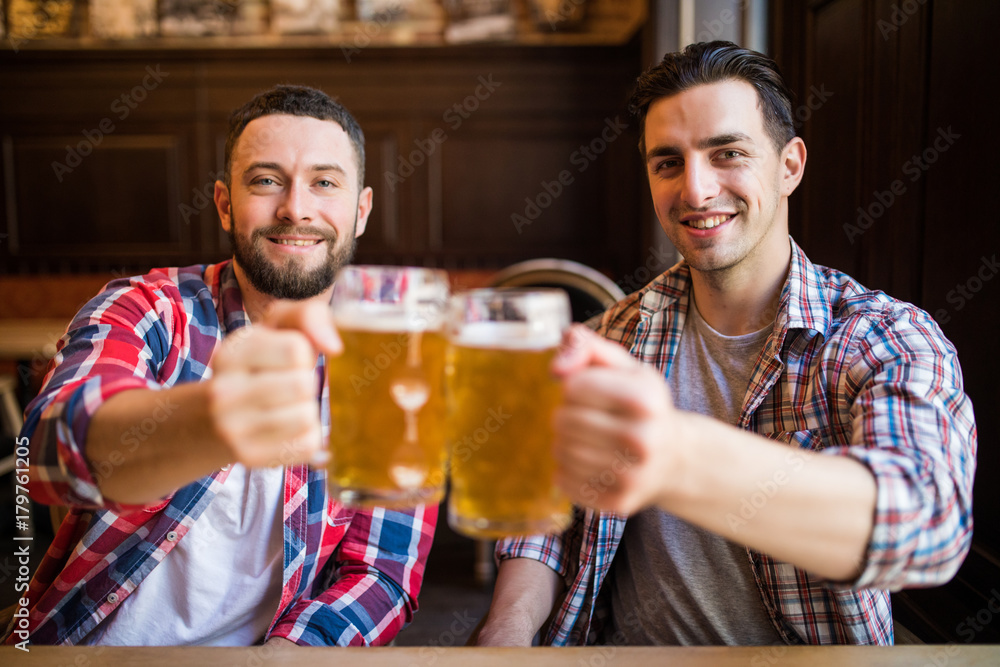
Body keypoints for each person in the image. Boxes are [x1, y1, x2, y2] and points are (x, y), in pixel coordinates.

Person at [476, 42, 977, 646]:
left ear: (789, 165)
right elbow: (546, 523)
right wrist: (506, 630)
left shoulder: (881, 337)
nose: (696, 189)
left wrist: (671, 453)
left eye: (728, 153)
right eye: (668, 163)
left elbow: (928, 525)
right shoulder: (612, 334)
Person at [3, 85, 437, 647]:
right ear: (225, 203)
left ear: (361, 211)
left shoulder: (393, 358)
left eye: (324, 183)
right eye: (265, 180)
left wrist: (286, 658)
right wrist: (212, 420)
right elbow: (42, 457)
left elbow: (381, 570)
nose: (296, 208)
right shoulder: (150, 308)